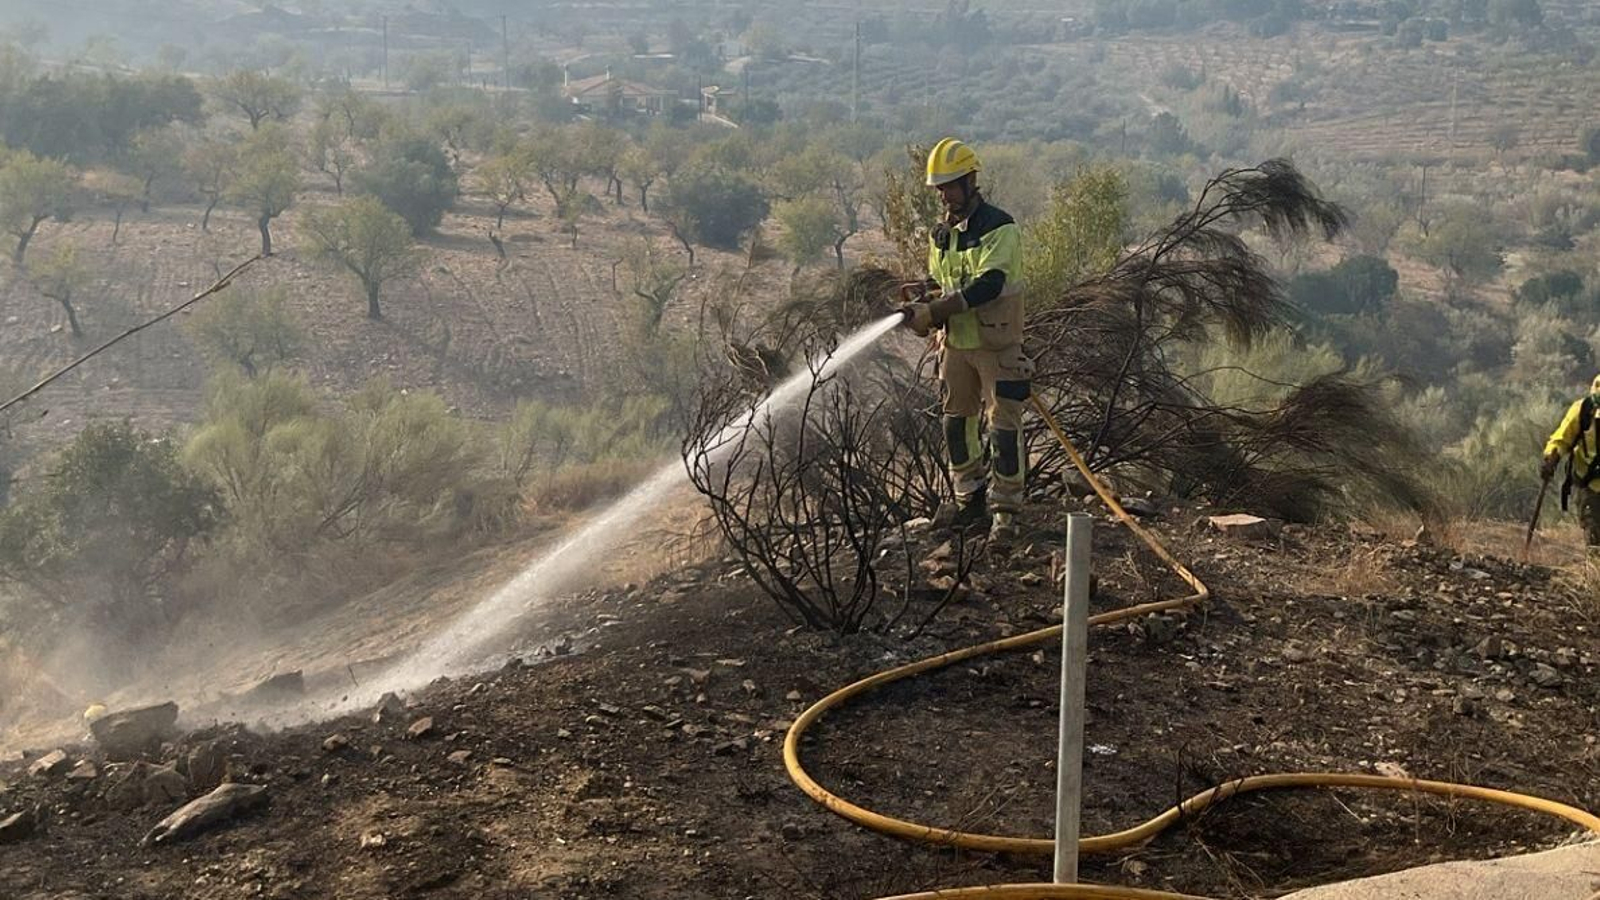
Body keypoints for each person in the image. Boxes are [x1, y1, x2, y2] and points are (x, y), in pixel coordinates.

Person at [898, 138, 1032, 541]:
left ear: (971, 181)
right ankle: (968, 502)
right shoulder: (943, 236)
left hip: (997, 346)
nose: (944, 194)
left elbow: (989, 285)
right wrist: (924, 296)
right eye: (939, 187)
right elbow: (946, 283)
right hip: (955, 346)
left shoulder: (999, 227)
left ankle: (1006, 513)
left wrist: (935, 311)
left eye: (951, 185)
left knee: (1003, 428)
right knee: (957, 424)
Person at [1542, 373, 1600, 547]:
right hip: (1590, 486)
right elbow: (1561, 439)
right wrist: (1551, 458)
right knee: (1594, 538)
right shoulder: (1582, 410)